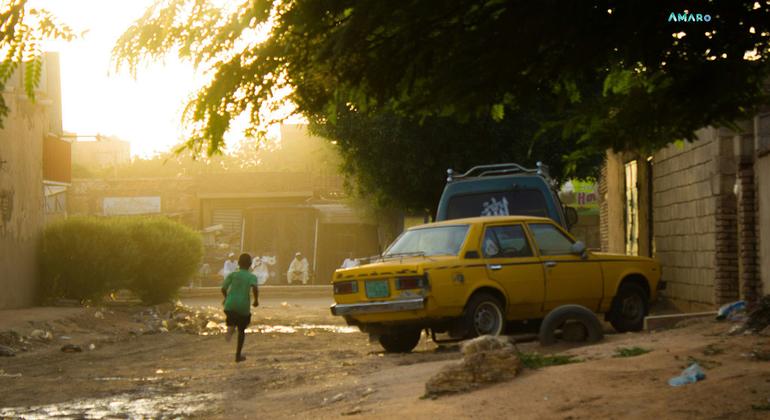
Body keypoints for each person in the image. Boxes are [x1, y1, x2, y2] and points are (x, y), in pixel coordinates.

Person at [221, 253, 259, 363]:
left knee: (232, 317)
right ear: (250, 264)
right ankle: (238, 356)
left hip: (229, 305)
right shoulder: (251, 276)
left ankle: (230, 327)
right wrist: (256, 300)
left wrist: (227, 298)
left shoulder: (233, 274)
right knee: (242, 330)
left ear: (238, 263)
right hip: (243, 306)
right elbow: (255, 288)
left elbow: (223, 288)